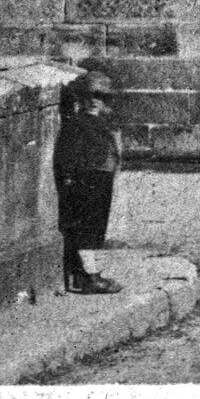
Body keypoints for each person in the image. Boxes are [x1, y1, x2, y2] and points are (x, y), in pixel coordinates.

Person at [54, 71, 123, 294]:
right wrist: (70, 180)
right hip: (86, 180)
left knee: (95, 229)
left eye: (100, 97)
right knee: (87, 229)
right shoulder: (76, 124)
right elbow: (67, 156)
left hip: (101, 178)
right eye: (88, 97)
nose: (94, 101)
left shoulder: (103, 124)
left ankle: (88, 273)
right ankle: (88, 276)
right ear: (80, 100)